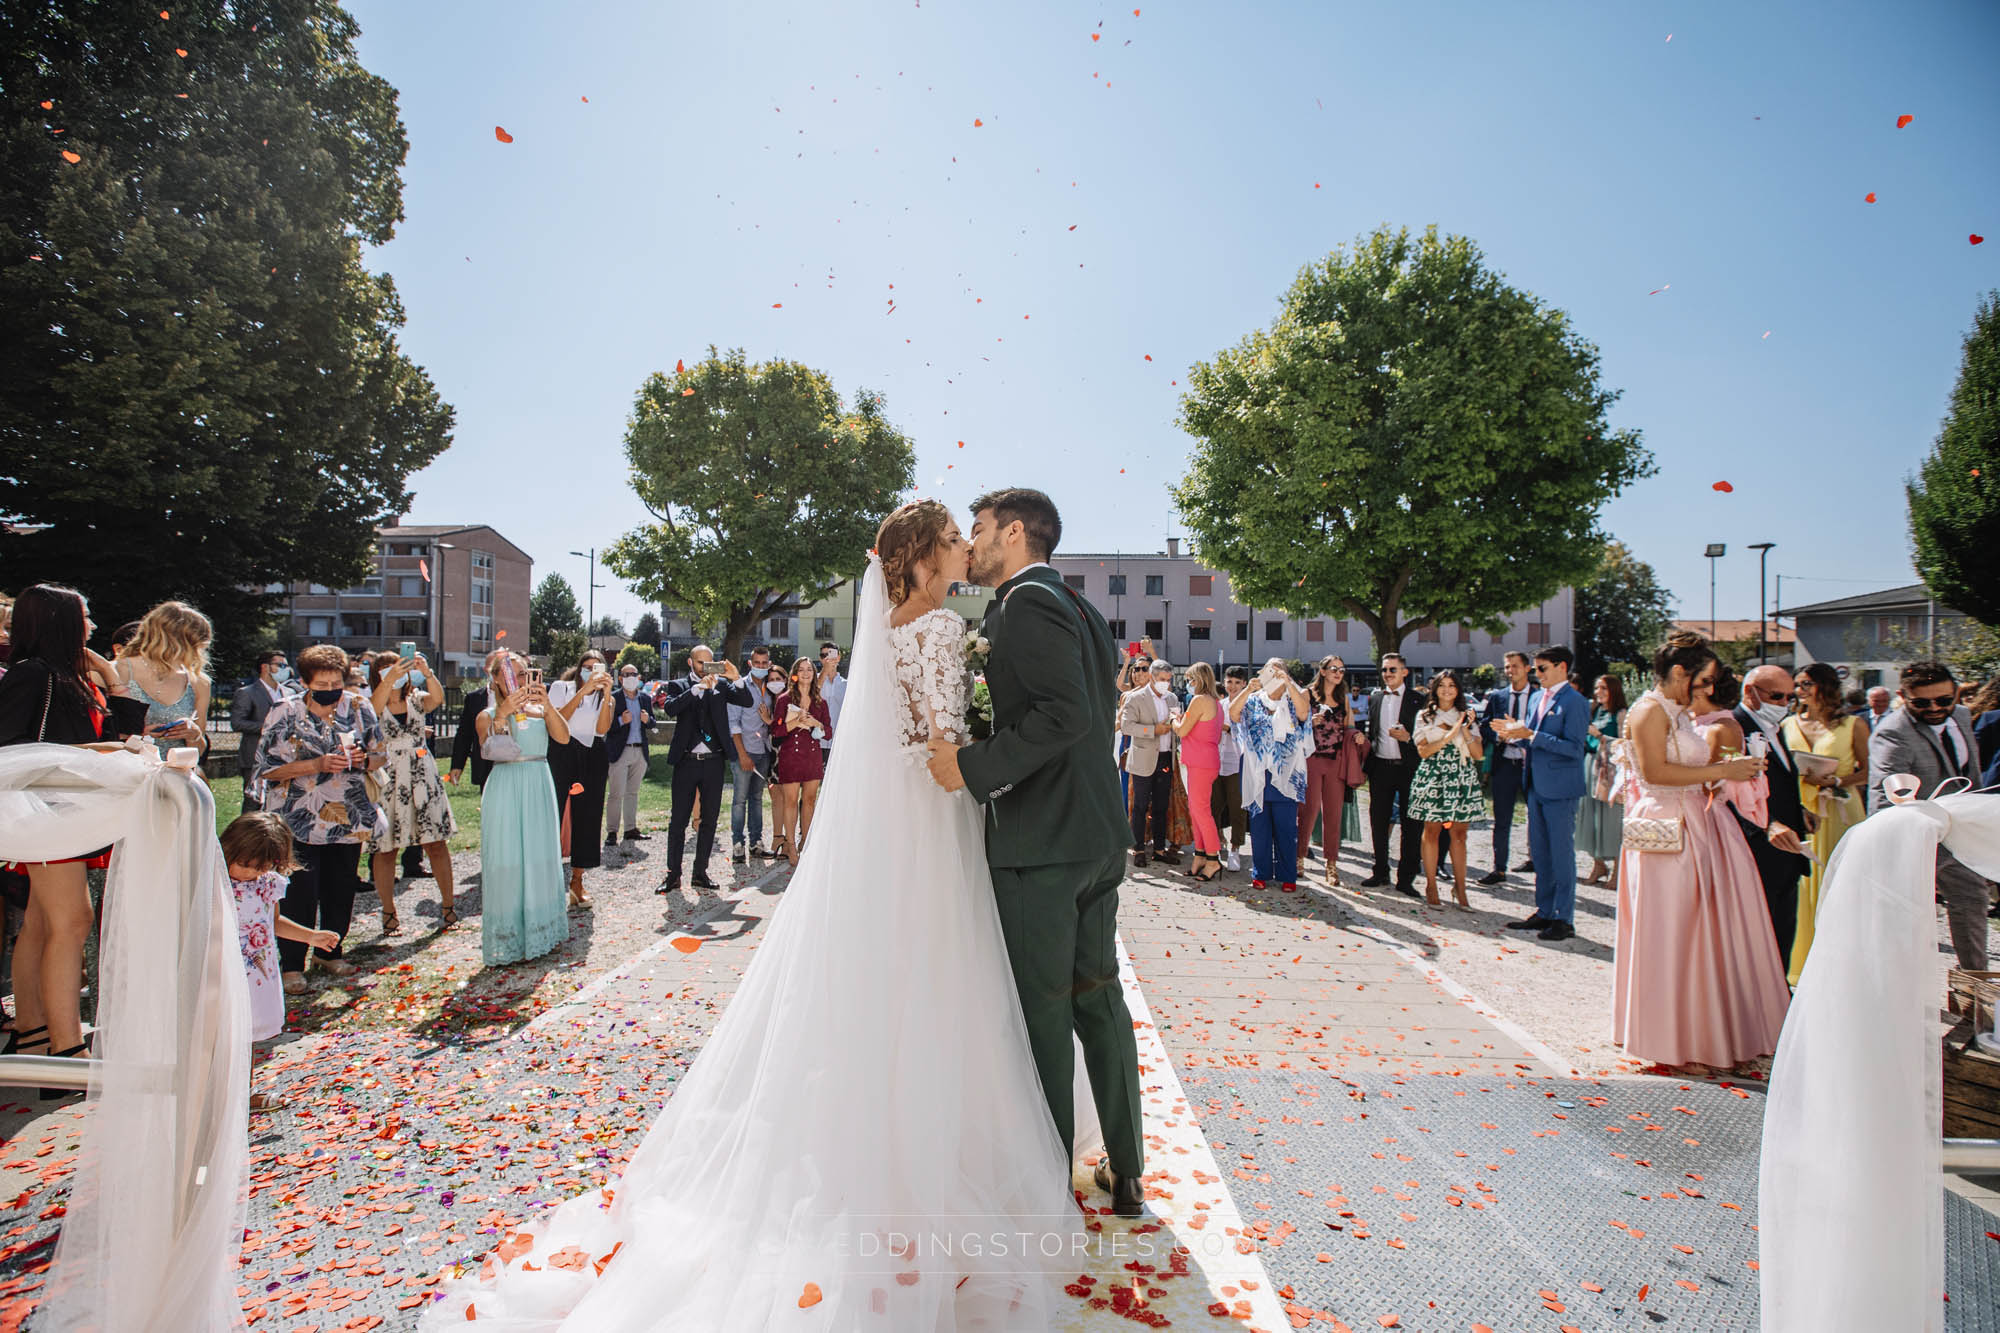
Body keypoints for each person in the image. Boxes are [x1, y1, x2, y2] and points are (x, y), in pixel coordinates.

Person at [429, 499, 1092, 1328]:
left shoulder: (886, 636)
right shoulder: (945, 632)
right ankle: (942, 1145)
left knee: (891, 967)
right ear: (924, 558)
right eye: (955, 537)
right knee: (946, 965)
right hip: (936, 805)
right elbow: (944, 736)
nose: (967, 546)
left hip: (896, 812)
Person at [929, 486, 1145, 1217]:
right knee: (1099, 999)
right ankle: (1129, 1168)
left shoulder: (1024, 605)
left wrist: (974, 765)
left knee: (1045, 1011)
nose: (974, 541)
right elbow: (1080, 712)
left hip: (1042, 843)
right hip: (1095, 835)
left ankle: (1046, 1174)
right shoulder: (1082, 607)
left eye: (982, 528)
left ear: (1016, 533)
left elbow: (1065, 713)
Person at [1613, 630, 1790, 1074]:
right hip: (1668, 826)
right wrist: (1722, 769)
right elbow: (1654, 771)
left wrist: (1729, 774)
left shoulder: (1678, 712)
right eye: (1704, 680)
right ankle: (1675, 1039)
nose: (1709, 690)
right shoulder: (1649, 711)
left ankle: (1713, 1031)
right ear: (1679, 672)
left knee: (1705, 931)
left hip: (1700, 819)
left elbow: (1691, 769)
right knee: (1676, 931)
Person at [0, 585, 122, 1087]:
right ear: (61, 622)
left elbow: (102, 739)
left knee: (42, 923)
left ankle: (34, 1033)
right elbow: (14, 748)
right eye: (85, 616)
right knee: (72, 922)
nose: (91, 624)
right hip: (48, 816)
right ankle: (66, 1050)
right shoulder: (35, 675)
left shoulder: (64, 675)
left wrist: (110, 677)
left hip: (62, 815)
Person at [252, 644, 384, 993]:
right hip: (299, 816)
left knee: (341, 887)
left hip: (348, 811)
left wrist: (362, 758)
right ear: (306, 682)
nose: (330, 690)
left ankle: (330, 951)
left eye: (336, 682)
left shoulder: (359, 707)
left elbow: (379, 755)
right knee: (300, 892)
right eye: (322, 684)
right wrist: (316, 764)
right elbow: (266, 769)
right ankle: (292, 963)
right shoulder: (285, 712)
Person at [1868, 660, 1991, 969]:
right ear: (1903, 695)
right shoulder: (1892, 734)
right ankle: (1896, 989)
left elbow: (1970, 775)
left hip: (1961, 834)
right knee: (1905, 921)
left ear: (1956, 694)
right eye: (1922, 702)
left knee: (1973, 902)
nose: (1935, 708)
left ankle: (1974, 994)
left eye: (1944, 700)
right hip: (1914, 838)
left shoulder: (1961, 716)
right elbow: (1887, 796)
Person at [220, 812, 338, 1111]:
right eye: (243, 864)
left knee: (245, 1038)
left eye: (259, 867)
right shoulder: (214, 882)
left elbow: (272, 923)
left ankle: (243, 1095)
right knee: (221, 1035)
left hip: (257, 973)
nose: (248, 873)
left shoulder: (267, 884)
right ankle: (217, 1095)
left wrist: (311, 937)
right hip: (223, 971)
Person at [472, 650, 572, 966]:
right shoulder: (487, 714)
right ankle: (510, 938)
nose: (516, 677)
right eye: (508, 672)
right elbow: (492, 751)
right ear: (496, 679)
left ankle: (543, 930)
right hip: (506, 784)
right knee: (507, 859)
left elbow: (563, 738)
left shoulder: (540, 711)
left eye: (521, 671)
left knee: (541, 856)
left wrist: (547, 705)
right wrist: (503, 713)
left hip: (538, 782)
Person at [1492, 645, 1590, 942]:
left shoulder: (1576, 702)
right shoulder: (1537, 697)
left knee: (1561, 855)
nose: (1537, 674)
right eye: (1535, 669)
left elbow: (1574, 748)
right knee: (1541, 854)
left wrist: (1531, 735)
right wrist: (1513, 734)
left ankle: (1564, 917)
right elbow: (1530, 740)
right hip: (1535, 784)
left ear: (1562, 667)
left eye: (1542, 668)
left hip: (1560, 788)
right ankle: (1544, 910)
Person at [1780, 661, 1870, 985]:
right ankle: (1802, 965)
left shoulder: (1852, 724)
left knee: (1840, 883)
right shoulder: (1787, 723)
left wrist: (1837, 781)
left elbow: (1869, 769)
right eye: (1797, 684)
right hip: (1801, 810)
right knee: (1802, 887)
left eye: (1806, 684)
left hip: (1840, 810)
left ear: (1825, 686)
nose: (1799, 690)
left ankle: (1843, 965)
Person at [363, 650, 457, 933]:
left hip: (422, 775)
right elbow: (375, 707)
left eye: (398, 668)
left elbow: (438, 698)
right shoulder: (370, 703)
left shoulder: (416, 698)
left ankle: (448, 907)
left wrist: (427, 672)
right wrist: (389, 679)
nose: (393, 673)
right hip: (389, 778)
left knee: (436, 843)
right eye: (386, 669)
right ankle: (389, 913)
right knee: (386, 848)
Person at [1732, 665, 1813, 974]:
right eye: (1776, 696)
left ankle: (1778, 1001)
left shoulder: (1773, 729)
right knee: (1758, 942)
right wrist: (1767, 825)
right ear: (1750, 692)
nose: (1784, 704)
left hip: (1787, 852)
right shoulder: (1733, 728)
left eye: (1790, 697)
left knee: (1782, 935)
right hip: (1756, 851)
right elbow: (1728, 795)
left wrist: (1800, 811)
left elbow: (1777, 784)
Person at [656, 645, 754, 892]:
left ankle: (700, 872)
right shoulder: (678, 684)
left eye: (710, 663)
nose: (705, 668)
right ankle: (673, 875)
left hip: (713, 763)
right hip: (686, 761)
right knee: (678, 820)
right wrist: (696, 689)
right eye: (700, 663)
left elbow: (746, 699)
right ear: (691, 663)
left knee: (709, 819)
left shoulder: (721, 685)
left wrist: (735, 678)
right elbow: (670, 708)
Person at [1230, 657, 1312, 891]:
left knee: (1286, 828)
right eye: (1269, 670)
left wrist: (1288, 683)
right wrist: (1247, 689)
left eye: (1278, 671)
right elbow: (1234, 715)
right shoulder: (1254, 700)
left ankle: (1287, 875)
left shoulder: (1296, 696)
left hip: (1285, 772)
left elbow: (1304, 713)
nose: (1273, 675)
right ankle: (1261, 872)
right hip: (1258, 771)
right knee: (1259, 827)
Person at [1409, 669, 1483, 908]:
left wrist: (1464, 731)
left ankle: (1460, 887)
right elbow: (1423, 751)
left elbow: (1478, 754)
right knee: (1431, 831)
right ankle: (1431, 884)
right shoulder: (1424, 716)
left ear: (1458, 689)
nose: (1447, 689)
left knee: (1459, 834)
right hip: (1434, 775)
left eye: (1452, 685)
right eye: (1442, 685)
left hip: (1461, 775)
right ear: (1435, 689)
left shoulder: (1467, 716)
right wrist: (1449, 734)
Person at [548, 650, 614, 908]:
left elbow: (602, 729)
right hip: (563, 749)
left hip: (593, 753)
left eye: (596, 667)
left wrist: (607, 693)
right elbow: (558, 717)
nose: (590, 670)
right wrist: (582, 691)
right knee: (554, 809)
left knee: (588, 816)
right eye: (586, 666)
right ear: (578, 668)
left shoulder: (605, 697)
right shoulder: (561, 687)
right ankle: (548, 879)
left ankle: (577, 880)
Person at [113, 600, 212, 758]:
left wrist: (195, 735)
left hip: (174, 776)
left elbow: (199, 752)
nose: (199, 653)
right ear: (173, 642)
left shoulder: (199, 682)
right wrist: (137, 736)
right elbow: (95, 737)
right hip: (127, 772)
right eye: (194, 645)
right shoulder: (118, 670)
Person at [1362, 653, 1425, 895]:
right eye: (1385, 670)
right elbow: (1372, 731)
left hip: (1409, 768)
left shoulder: (1418, 699)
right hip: (1381, 767)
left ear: (1405, 672)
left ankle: (1406, 879)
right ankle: (1380, 872)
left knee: (1411, 824)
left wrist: (1407, 738)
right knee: (1378, 821)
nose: (1388, 674)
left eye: (1393, 670)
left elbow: (1425, 736)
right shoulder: (1376, 697)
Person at [1479, 652, 1537, 885]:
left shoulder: (1538, 696)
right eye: (1506, 667)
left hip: (1531, 764)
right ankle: (1499, 868)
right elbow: (1486, 725)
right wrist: (1498, 735)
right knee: (1502, 818)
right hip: (1504, 763)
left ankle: (1537, 863)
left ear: (1527, 668)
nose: (1510, 670)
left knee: (1536, 817)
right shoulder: (1498, 697)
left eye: (1515, 666)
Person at [770, 653, 833, 864]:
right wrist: (796, 722)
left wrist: (816, 723)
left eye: (809, 670)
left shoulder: (820, 702)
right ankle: (790, 845)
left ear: (814, 675)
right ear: (795, 674)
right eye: (801, 669)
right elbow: (776, 731)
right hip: (790, 756)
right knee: (790, 801)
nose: (806, 673)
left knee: (810, 800)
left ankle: (806, 842)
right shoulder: (784, 699)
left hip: (812, 756)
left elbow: (828, 731)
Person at [1120, 658, 1179, 867]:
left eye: (1169, 680)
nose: (1166, 683)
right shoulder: (1136, 698)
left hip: (1165, 756)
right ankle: (1137, 849)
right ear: (1153, 677)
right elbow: (1127, 727)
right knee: (1140, 806)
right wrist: (1153, 730)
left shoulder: (1172, 698)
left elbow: (1177, 723)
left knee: (1161, 805)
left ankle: (1159, 848)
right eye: (1162, 679)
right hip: (1143, 756)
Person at [1298, 656, 1353, 880]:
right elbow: (1293, 724)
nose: (1338, 673)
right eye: (1334, 669)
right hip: (1311, 758)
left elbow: (1350, 727)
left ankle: (1331, 864)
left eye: (1342, 669)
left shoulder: (1344, 699)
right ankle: (1298, 857)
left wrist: (1356, 736)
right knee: (1308, 812)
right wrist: (1310, 723)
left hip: (1335, 760)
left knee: (1333, 814)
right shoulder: (1306, 694)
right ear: (1322, 671)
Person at [1170, 661, 1225, 881]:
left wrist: (1174, 719)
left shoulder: (1200, 700)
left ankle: (1212, 858)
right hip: (1207, 760)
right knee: (1197, 810)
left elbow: (1182, 731)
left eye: (1191, 679)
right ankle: (1201, 855)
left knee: (1201, 811)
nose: (1189, 683)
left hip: (1200, 762)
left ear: (1199, 680)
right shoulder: (1216, 702)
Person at [1579, 674, 1629, 885]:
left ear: (1614, 691)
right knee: (1589, 815)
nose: (1598, 692)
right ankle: (1598, 864)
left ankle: (1618, 867)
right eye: (1597, 688)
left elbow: (1625, 744)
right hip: (1590, 763)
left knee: (1611, 817)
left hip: (1610, 768)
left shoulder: (1621, 714)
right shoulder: (1594, 710)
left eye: (1603, 688)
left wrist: (1600, 736)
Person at [604, 660, 657, 847]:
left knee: (632, 793)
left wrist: (647, 719)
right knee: (616, 793)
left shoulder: (644, 698)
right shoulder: (612, 698)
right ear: (620, 678)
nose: (630, 678)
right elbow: (604, 726)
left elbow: (653, 723)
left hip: (639, 751)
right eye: (626, 675)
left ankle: (630, 829)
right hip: (620, 751)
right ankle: (612, 832)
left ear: (639, 678)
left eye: (634, 675)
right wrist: (620, 720)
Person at [230, 651, 294, 800]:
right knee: (253, 803)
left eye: (286, 665)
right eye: (281, 665)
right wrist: (269, 727)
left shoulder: (289, 692)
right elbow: (237, 723)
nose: (285, 669)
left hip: (285, 757)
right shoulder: (247, 693)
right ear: (265, 667)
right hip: (255, 757)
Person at [1212, 665, 1250, 871]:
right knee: (1215, 806)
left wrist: (1228, 729)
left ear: (1244, 684)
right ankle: (1218, 841)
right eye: (1229, 682)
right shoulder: (1219, 705)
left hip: (1238, 763)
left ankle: (1235, 849)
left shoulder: (1250, 705)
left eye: (1237, 682)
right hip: (1217, 762)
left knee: (1238, 809)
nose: (1233, 686)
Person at [817, 641, 846, 761]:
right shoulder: (812, 680)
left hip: (839, 743)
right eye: (824, 656)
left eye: (831, 655)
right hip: (817, 741)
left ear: (838, 657)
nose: (828, 659)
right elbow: (810, 697)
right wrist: (824, 673)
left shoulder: (847, 685)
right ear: (820, 659)